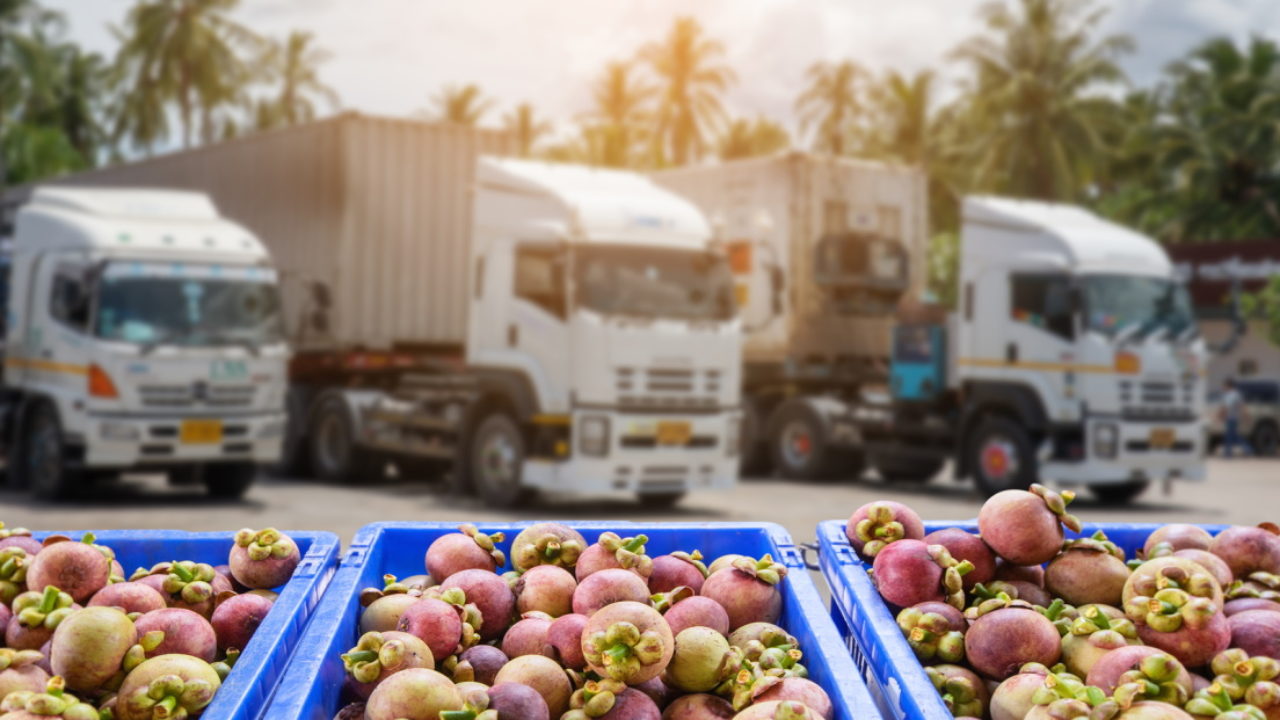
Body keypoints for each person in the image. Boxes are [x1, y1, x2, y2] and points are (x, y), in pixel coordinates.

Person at [1220, 379, 1250, 457]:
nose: (1223, 387)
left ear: (1229, 386)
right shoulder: (1237, 394)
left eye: (1224, 386)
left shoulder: (1230, 395)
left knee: (1230, 436)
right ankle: (1247, 449)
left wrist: (1221, 415)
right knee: (1234, 436)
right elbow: (1242, 406)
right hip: (1235, 417)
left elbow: (1226, 407)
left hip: (1231, 418)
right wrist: (1245, 415)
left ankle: (1228, 453)